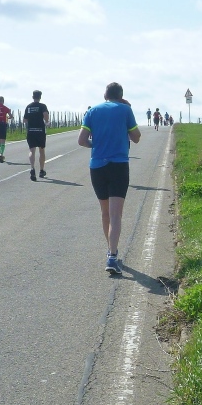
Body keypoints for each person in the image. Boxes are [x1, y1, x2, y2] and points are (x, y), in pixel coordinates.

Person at [77, 82, 141, 274]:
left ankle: (110, 252)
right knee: (116, 214)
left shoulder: (92, 111)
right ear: (121, 96)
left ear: (105, 95)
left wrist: (96, 145)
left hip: (97, 166)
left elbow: (81, 140)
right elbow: (136, 137)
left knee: (105, 212)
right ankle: (112, 256)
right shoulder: (125, 110)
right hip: (118, 166)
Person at [23, 90, 49, 181]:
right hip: (40, 131)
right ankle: (41, 170)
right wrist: (46, 121)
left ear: (33, 97)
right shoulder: (42, 106)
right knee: (41, 150)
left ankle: (32, 168)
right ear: (40, 97)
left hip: (31, 131)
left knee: (32, 150)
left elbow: (24, 120)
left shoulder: (28, 107)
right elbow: (45, 115)